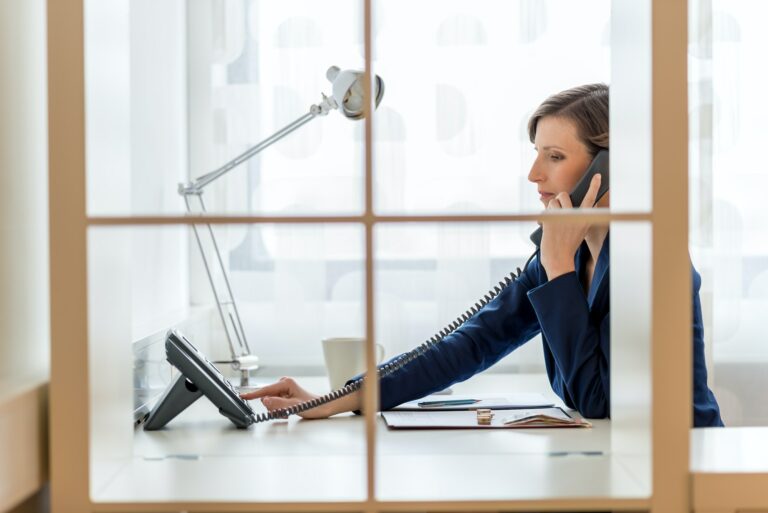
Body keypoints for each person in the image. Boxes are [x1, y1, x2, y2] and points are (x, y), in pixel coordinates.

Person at [241, 83, 724, 427]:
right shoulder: (565, 256)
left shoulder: (648, 262)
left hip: (680, 478)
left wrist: (556, 269)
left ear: (608, 166)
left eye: (554, 157)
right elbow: (467, 346)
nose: (535, 175)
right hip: (616, 463)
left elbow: (595, 401)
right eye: (536, 153)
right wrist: (340, 397)